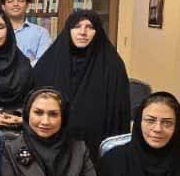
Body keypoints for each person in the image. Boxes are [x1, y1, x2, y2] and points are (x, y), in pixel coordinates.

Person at [33, 10, 130, 158]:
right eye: (77, 26)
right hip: (51, 144)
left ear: (97, 32)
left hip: (95, 147)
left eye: (89, 27)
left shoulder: (113, 66)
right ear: (68, 30)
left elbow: (119, 114)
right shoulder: (49, 62)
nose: (83, 32)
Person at [2, 0, 52, 64]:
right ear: (3, 7)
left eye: (20, 0)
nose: (15, 4)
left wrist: (23, 68)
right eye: (10, 1)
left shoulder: (41, 33)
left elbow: (43, 61)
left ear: (27, 6)